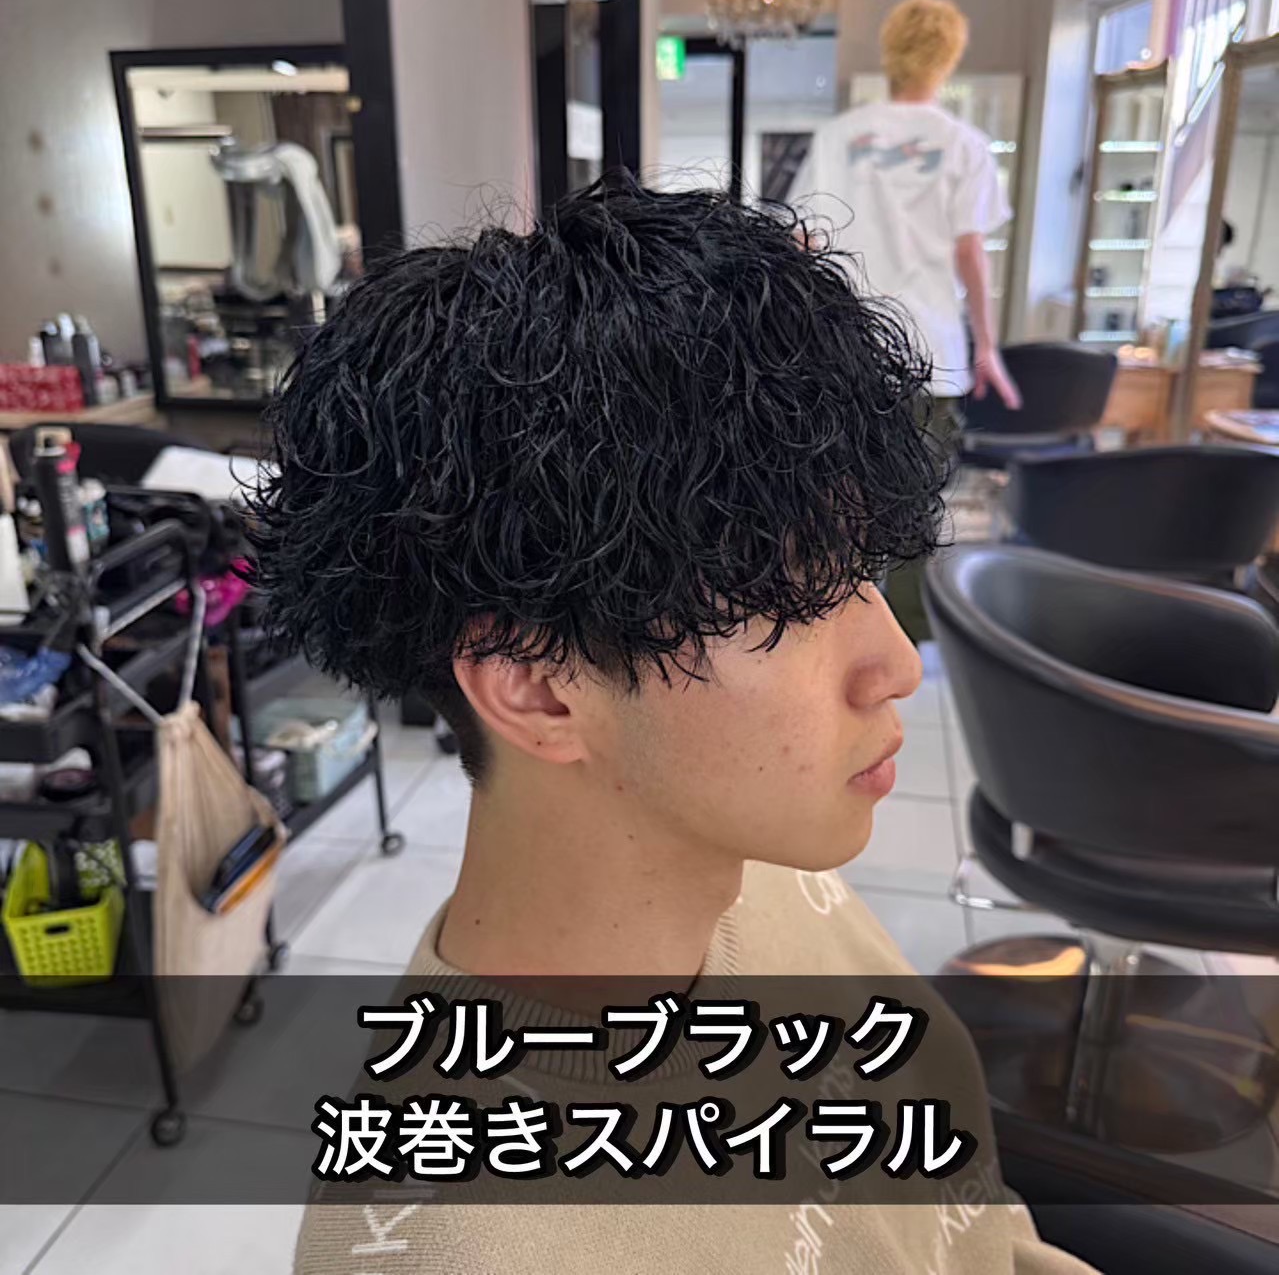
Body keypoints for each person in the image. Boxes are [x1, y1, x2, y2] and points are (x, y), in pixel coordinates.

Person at [251, 174, 1094, 1273]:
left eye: (862, 569)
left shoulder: (772, 872)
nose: (894, 665)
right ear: (538, 686)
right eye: (789, 601)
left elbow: (980, 1228)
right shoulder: (455, 1245)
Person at [789, 0, 1020, 640]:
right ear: (949, 57)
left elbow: (802, 242)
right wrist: (987, 346)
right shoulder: (964, 145)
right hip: (931, 352)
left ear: (889, 51)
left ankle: (839, 629)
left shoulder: (840, 137)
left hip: (845, 352)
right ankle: (906, 637)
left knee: (838, 496)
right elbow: (970, 253)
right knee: (917, 500)